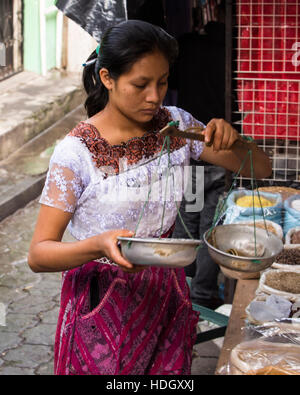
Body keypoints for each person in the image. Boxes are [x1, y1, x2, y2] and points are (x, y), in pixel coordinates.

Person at [28, 20, 271, 375]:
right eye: (140, 84)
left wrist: (233, 140)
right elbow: (39, 253)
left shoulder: (175, 127)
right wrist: (99, 244)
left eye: (163, 82)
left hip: (164, 291)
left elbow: (260, 167)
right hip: (101, 299)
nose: (155, 96)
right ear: (108, 78)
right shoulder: (75, 153)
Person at [169, 2, 236, 309]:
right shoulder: (236, 52)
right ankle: (202, 297)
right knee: (211, 230)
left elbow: (174, 85)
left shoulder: (188, 47)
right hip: (221, 157)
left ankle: (185, 295)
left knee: (188, 225)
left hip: (194, 158)